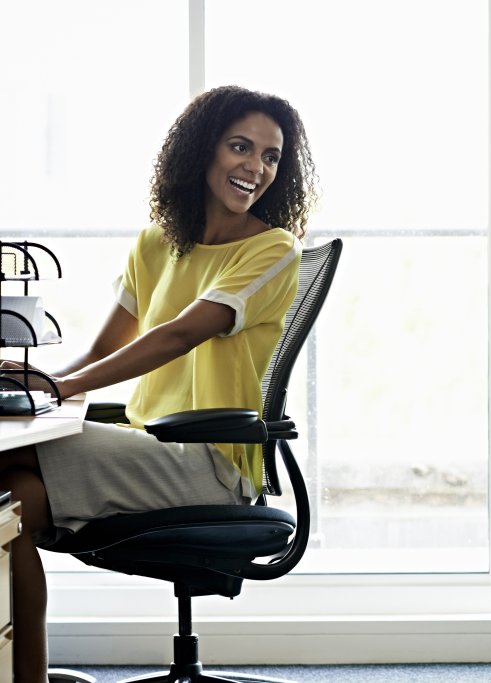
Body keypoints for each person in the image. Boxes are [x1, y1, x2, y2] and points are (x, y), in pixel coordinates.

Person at [0, 85, 318, 682]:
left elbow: (176, 335)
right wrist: (40, 379)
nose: (255, 167)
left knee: (9, 491)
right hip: (149, 446)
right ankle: (22, 674)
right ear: (203, 150)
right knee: (8, 508)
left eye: (271, 156)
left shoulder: (272, 250)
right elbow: (102, 351)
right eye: (240, 147)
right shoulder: (155, 243)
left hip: (211, 462)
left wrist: (60, 392)